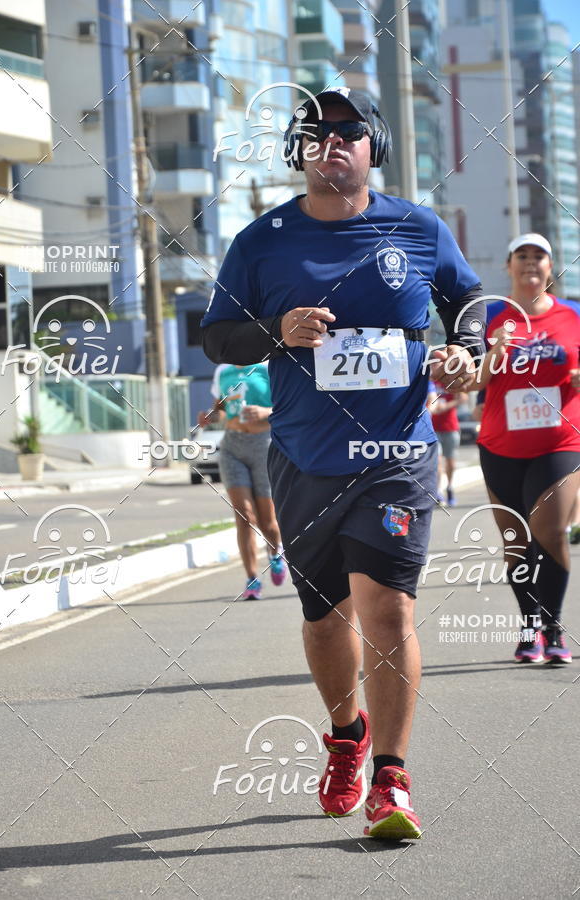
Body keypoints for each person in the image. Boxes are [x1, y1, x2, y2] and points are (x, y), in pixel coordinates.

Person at [202, 88, 484, 840]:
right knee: (325, 619)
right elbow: (218, 337)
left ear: (374, 145)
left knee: (388, 610)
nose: (332, 141)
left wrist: (466, 350)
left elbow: (467, 299)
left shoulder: (417, 227)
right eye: (315, 132)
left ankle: (391, 779)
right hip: (304, 458)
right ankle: (346, 735)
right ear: (297, 151)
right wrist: (276, 329)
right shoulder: (261, 241)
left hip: (397, 453)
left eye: (349, 130)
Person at [474, 233, 580, 664]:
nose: (531, 262)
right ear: (509, 266)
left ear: (550, 267)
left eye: (539, 256)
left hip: (560, 441)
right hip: (500, 443)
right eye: (522, 255)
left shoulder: (573, 315)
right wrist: (494, 352)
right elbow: (472, 381)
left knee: (550, 531)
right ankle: (529, 626)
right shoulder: (489, 317)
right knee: (517, 540)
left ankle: (553, 628)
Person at [198, 362, 287, 599]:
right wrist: (209, 417)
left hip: (264, 444)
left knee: (267, 521)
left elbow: (288, 406)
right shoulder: (223, 371)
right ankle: (252, 579)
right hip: (232, 447)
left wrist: (265, 412)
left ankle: (275, 553)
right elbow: (221, 410)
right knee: (244, 515)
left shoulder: (268, 367)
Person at [429, 382, 466, 506]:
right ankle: (438, 491)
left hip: (450, 427)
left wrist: (447, 406)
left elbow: (463, 397)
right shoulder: (429, 381)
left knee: (450, 461)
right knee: (437, 461)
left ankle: (450, 487)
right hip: (433, 428)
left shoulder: (450, 380)